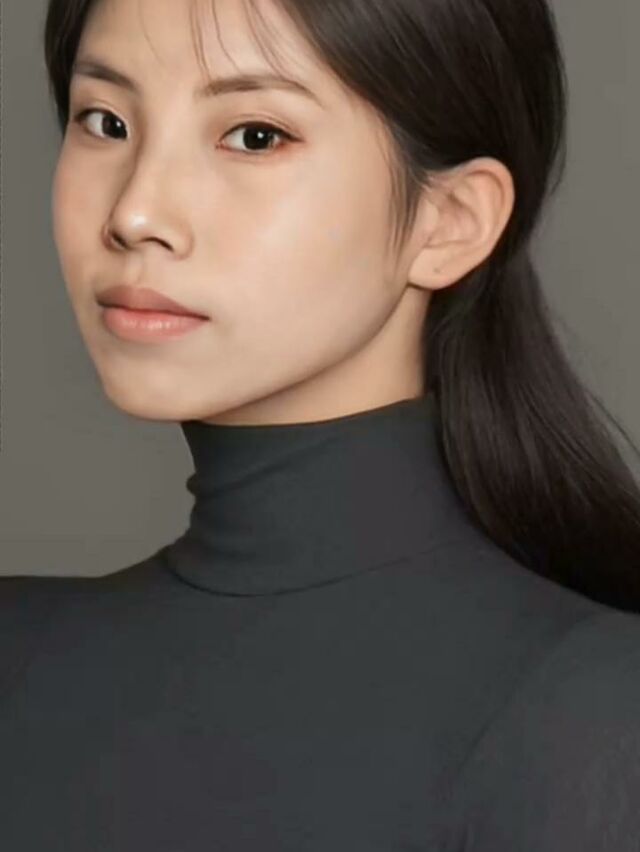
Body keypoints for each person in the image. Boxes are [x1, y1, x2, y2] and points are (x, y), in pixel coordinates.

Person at [2, 0, 640, 848]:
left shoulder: (594, 722)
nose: (135, 213)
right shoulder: (19, 657)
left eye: (255, 136)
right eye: (106, 122)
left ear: (450, 221)